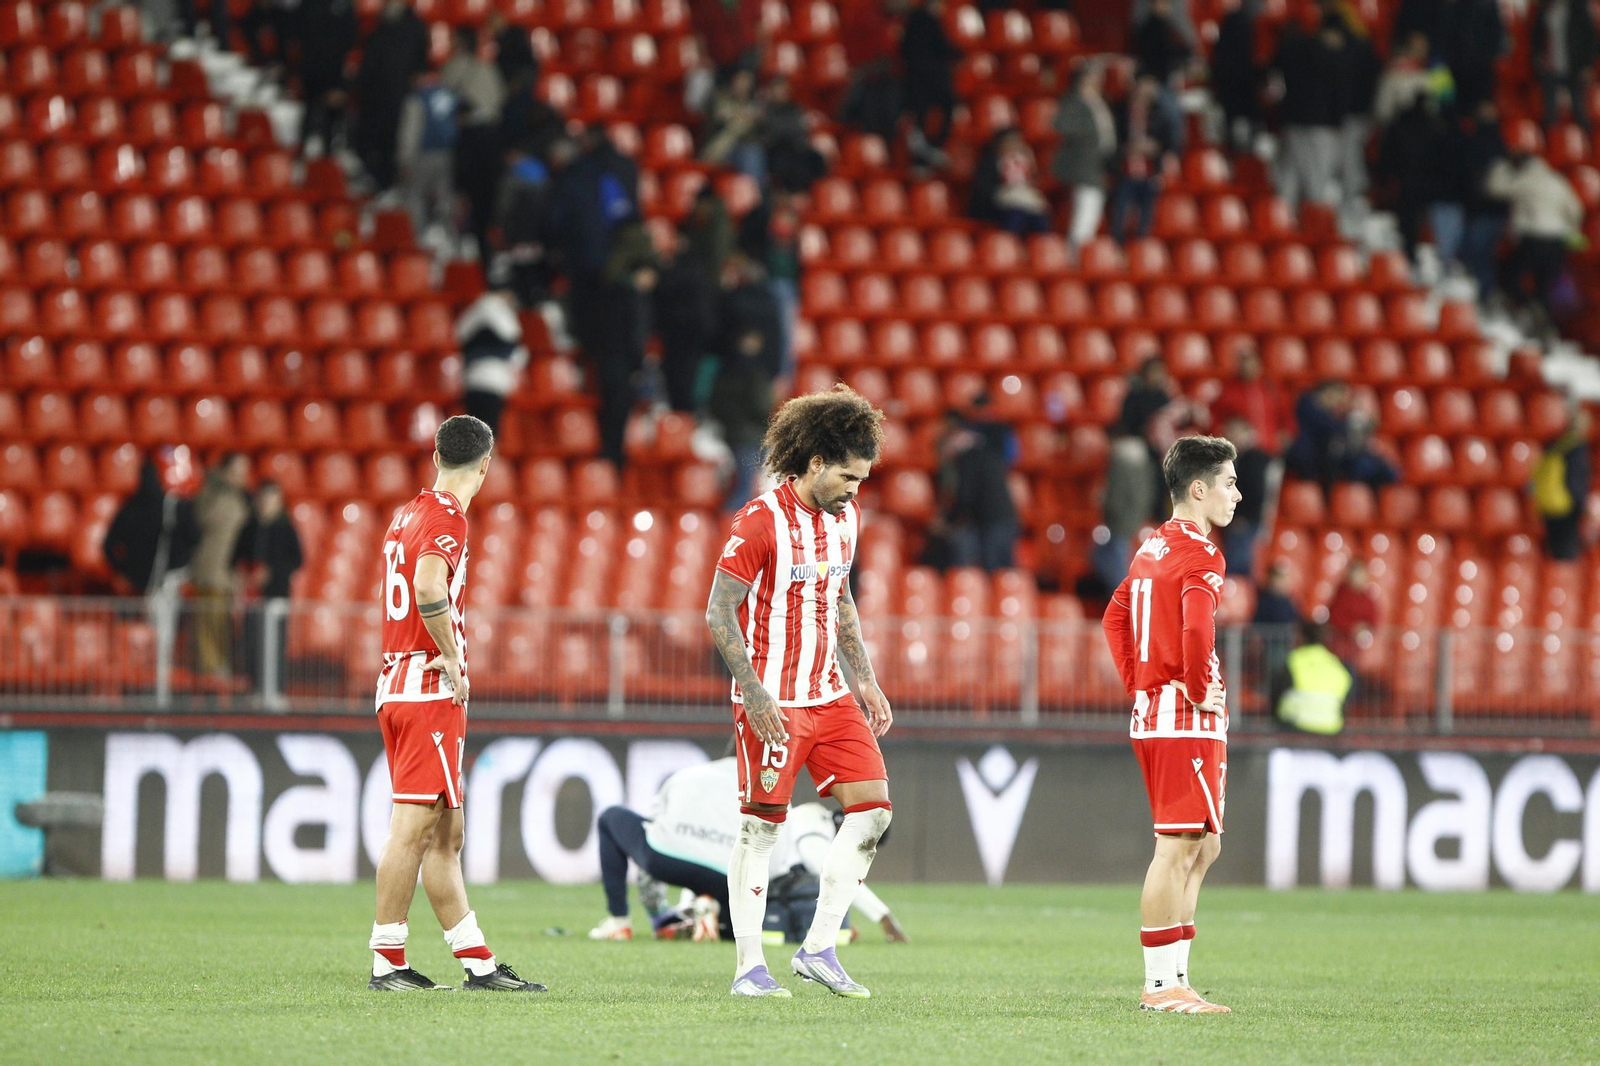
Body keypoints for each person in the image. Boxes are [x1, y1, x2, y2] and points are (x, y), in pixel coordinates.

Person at [705, 384, 894, 999]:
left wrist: (862, 677)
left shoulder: (847, 518)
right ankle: (749, 969)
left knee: (873, 812)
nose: (854, 489)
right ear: (814, 463)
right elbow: (718, 612)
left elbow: (840, 597)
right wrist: (754, 692)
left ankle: (818, 950)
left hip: (830, 694)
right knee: (761, 830)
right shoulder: (760, 521)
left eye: (862, 480)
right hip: (775, 700)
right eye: (847, 476)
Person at [367, 415, 544, 992]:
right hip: (426, 691)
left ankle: (478, 963)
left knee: (446, 834)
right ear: (486, 464)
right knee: (413, 830)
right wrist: (452, 657)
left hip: (398, 684)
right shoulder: (446, 516)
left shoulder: (408, 512)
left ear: (436, 455)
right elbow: (426, 587)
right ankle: (387, 960)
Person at [1101, 434, 1241, 1013]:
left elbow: (1115, 616)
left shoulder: (1152, 548)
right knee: (1177, 845)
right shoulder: (1201, 554)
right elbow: (1196, 631)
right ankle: (1161, 987)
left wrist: (1140, 685)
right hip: (1183, 719)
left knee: (1202, 846)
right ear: (1200, 488)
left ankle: (1178, 980)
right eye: (1230, 483)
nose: (1238, 494)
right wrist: (1193, 681)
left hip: (1165, 713)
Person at [587, 758, 908, 945]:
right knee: (734, 913)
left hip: (681, 858)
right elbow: (823, 864)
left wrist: (656, 910)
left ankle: (627, 921)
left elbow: (663, 830)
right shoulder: (800, 812)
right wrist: (883, 916)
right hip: (736, 879)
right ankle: (702, 912)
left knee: (613, 819)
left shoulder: (702, 774)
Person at [1487, 129, 1583, 334]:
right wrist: (1568, 228)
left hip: (1532, 238)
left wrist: (1500, 166)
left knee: (1509, 277)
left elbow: (1495, 189)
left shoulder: (1525, 180)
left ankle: (1529, 308)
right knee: (1544, 285)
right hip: (1556, 241)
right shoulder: (1558, 181)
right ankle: (1545, 328)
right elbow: (1576, 210)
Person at [709, 255, 781, 509]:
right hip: (750, 433)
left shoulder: (725, 369)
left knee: (742, 487)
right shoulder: (757, 373)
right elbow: (761, 406)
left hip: (735, 430)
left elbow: (716, 401)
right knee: (745, 490)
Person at [596, 215, 660, 468]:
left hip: (606, 358)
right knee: (618, 412)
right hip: (622, 363)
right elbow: (635, 335)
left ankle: (608, 455)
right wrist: (638, 364)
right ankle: (613, 459)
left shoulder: (610, 290)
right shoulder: (634, 299)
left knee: (608, 410)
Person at [442, 25, 508, 263]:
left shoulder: (455, 68)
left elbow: (444, 102)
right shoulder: (489, 70)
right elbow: (500, 102)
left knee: (462, 200)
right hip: (491, 140)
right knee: (486, 207)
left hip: (468, 141)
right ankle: (484, 256)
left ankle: (467, 256)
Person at [234, 481, 303, 705]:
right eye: (262, 499)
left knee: (276, 643)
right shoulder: (249, 527)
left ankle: (276, 691)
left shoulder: (286, 527)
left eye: (270, 499)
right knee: (252, 641)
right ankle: (255, 688)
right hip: (252, 597)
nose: (265, 504)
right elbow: (235, 558)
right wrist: (246, 574)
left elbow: (297, 560)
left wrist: (272, 571)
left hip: (277, 596)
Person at [353, 0, 430, 192]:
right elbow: (368, 64)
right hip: (375, 98)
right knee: (370, 144)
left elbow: (421, 65)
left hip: (397, 98)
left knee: (391, 146)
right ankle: (378, 184)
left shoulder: (415, 28)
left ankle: (387, 187)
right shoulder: (379, 29)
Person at [1272, 15, 1344, 209]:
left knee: (1289, 177)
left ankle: (1284, 222)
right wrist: (1338, 123)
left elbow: (1271, 83)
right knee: (1317, 181)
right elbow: (1338, 92)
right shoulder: (1328, 54)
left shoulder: (1287, 52)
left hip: (1293, 122)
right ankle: (1313, 227)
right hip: (1322, 126)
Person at [935, 406, 1020, 571]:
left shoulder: (969, 459)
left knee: (996, 572)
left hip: (992, 522)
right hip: (1005, 518)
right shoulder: (987, 451)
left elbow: (966, 494)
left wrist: (949, 520)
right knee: (1004, 569)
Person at [192, 453, 252, 681]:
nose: (243, 477)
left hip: (229, 573)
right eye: (238, 471)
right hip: (211, 570)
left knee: (222, 624)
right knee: (210, 624)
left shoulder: (240, 497)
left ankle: (219, 668)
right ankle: (212, 671)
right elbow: (202, 519)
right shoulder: (213, 494)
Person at [103, 455, 199, 598]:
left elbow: (109, 545)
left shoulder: (129, 508)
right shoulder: (174, 507)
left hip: (135, 585)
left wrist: (123, 572)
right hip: (168, 582)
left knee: (133, 620)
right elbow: (194, 538)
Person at [739, 188, 804, 384]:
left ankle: (782, 377)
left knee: (786, 334)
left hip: (788, 286)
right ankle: (775, 376)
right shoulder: (761, 223)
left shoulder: (795, 233)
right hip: (768, 284)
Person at [1054, 61, 1116, 251]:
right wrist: (1083, 136)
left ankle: (1081, 250)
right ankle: (1076, 253)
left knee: (1091, 207)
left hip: (1098, 163)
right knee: (1086, 206)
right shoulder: (1075, 101)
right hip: (1083, 164)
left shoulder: (1097, 101)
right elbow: (1060, 125)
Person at [1109, 75, 1179, 242]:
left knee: (1146, 215)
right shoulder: (1120, 112)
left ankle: (1140, 249)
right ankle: (1117, 247)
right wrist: (1128, 148)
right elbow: (1111, 141)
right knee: (1120, 213)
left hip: (1149, 172)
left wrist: (1154, 149)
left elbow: (1168, 142)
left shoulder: (1159, 114)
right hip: (1125, 172)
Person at [456, 288, 529, 434]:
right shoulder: (498, 311)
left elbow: (459, 333)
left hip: (475, 378)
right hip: (490, 379)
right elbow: (512, 339)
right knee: (486, 433)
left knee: (476, 431)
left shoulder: (476, 312)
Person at [397, 73, 458, 245]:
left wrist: (404, 160)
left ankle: (416, 240)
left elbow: (410, 131)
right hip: (449, 155)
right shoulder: (451, 96)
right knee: (445, 197)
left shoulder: (417, 99)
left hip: (423, 154)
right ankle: (450, 240)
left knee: (415, 196)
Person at [292, 0, 357, 157]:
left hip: (332, 69)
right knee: (309, 111)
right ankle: (301, 155)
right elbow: (299, 33)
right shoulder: (309, 5)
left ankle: (325, 159)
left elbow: (350, 37)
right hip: (312, 67)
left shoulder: (344, 5)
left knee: (329, 117)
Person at [901, 0, 960, 168]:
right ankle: (929, 150)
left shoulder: (913, 21)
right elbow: (942, 47)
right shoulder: (928, 21)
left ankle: (923, 156)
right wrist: (958, 54)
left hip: (917, 80)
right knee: (943, 109)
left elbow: (905, 49)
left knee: (922, 117)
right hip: (929, 80)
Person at [1533, 406, 1592, 560]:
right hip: (1565, 507)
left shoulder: (1556, 444)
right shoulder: (1576, 448)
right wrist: (1581, 506)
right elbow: (1573, 480)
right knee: (1566, 555)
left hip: (1548, 505)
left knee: (1554, 551)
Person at [1208, 347, 1290, 456]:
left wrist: (1286, 434)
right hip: (1242, 451)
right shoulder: (1228, 391)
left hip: (1272, 449)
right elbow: (1215, 419)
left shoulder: (1272, 389)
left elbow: (1286, 417)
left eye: (1250, 360)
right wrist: (1225, 433)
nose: (1247, 365)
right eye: (1243, 361)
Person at [1274, 621, 1353, 734]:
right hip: (1330, 727)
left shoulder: (1294, 660)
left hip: (1295, 725)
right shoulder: (1336, 665)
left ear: (1302, 637)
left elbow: (1277, 692)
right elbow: (1347, 697)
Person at [970, 128, 1051, 235]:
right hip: (998, 205)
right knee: (1016, 216)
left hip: (1024, 200)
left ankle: (1038, 247)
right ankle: (1008, 247)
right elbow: (985, 190)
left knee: (1039, 217)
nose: (1014, 145)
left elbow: (1032, 181)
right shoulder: (990, 161)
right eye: (1010, 141)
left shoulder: (1023, 159)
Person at [1532, 0, 1597, 132]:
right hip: (1551, 67)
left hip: (1574, 67)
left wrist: (1587, 64)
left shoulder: (1579, 9)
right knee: (1550, 112)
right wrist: (1538, 59)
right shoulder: (1546, 9)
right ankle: (1552, 144)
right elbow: (1537, 37)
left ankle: (1585, 143)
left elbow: (1590, 38)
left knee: (1580, 111)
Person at [1221, 417, 1270, 578]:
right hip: (1237, 519)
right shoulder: (1234, 460)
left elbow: (1255, 492)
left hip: (1244, 520)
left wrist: (1242, 516)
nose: (1232, 437)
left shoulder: (1254, 459)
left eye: (1237, 432)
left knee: (1238, 567)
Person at [1210, 0, 1261, 152]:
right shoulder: (1252, 24)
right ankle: (1248, 154)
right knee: (1251, 121)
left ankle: (1234, 153)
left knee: (1231, 121)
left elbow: (1218, 52)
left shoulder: (1229, 21)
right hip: (1246, 82)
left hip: (1229, 82)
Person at [1285, 380, 1351, 486]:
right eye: (1337, 398)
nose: (1337, 403)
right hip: (1303, 454)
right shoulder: (1306, 404)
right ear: (1328, 392)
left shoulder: (1329, 413)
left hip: (1318, 455)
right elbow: (1327, 426)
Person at [1325, 559, 1378, 664]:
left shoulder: (1367, 597)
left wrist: (1365, 628)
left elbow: (1374, 620)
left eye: (1361, 574)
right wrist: (1353, 628)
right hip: (1339, 649)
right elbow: (1335, 618)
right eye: (1356, 574)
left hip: (1357, 651)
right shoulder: (1341, 595)